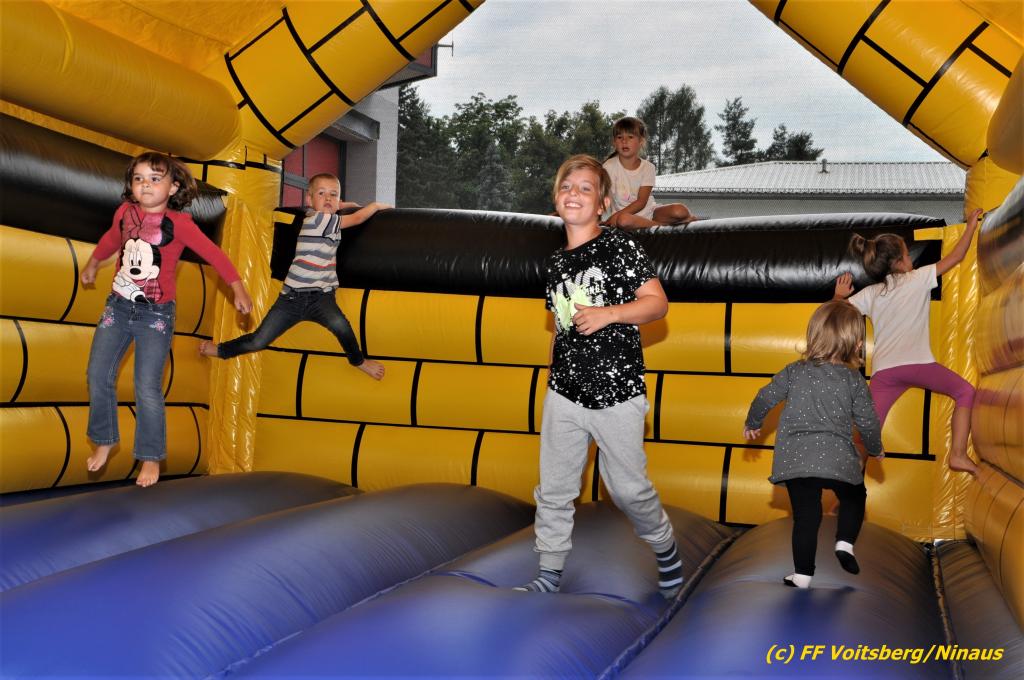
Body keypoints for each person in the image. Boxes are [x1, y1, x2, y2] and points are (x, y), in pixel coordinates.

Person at [516, 154, 684, 599]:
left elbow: (657, 304)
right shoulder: (556, 262)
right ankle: (549, 571)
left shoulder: (618, 246)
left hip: (617, 392)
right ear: (556, 199)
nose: (574, 193)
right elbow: (560, 326)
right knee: (554, 488)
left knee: (628, 491)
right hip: (565, 392)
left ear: (602, 203)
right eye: (566, 186)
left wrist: (609, 314)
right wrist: (552, 376)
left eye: (585, 188)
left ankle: (664, 546)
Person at [81, 152, 253, 487]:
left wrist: (238, 288)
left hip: (155, 316)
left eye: (154, 179)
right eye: (139, 179)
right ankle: (104, 439)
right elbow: (112, 239)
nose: (145, 185)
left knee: (147, 386)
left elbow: (214, 254)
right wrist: (93, 262)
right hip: (117, 307)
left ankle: (150, 456)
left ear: (173, 187)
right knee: (98, 374)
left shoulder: (181, 224)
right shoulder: (125, 212)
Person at [744, 300, 884, 589]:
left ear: (812, 336)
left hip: (796, 460)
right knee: (855, 496)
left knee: (806, 517)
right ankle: (844, 543)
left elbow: (765, 397)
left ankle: (802, 576)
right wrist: (875, 448)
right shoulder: (854, 381)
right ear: (858, 345)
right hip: (838, 460)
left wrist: (753, 422)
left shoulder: (793, 371)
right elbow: (868, 421)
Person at [834, 209, 982, 475]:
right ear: (900, 262)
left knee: (866, 434)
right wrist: (971, 226)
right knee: (965, 392)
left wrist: (838, 296)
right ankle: (958, 454)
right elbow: (957, 256)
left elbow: (834, 313)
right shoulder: (918, 278)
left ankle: (846, 477)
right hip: (918, 364)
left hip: (885, 373)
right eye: (907, 254)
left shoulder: (871, 292)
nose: (910, 259)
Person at [199, 173, 388, 381]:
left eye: (333, 194)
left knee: (341, 327)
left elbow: (339, 205)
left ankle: (358, 361)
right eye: (321, 193)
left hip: (321, 298)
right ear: (309, 200)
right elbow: (358, 218)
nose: (327, 198)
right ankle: (221, 350)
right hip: (291, 300)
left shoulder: (317, 214)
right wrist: (376, 206)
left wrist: (344, 204)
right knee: (258, 340)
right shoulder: (320, 220)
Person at [602, 116, 697, 229]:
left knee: (680, 210)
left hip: (651, 214)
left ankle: (662, 223)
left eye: (630, 137)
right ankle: (665, 227)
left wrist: (614, 216)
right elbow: (599, 196)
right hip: (624, 218)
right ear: (614, 142)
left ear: (641, 141)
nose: (624, 141)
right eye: (619, 137)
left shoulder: (648, 167)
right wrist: (606, 218)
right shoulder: (608, 167)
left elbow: (641, 202)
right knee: (623, 220)